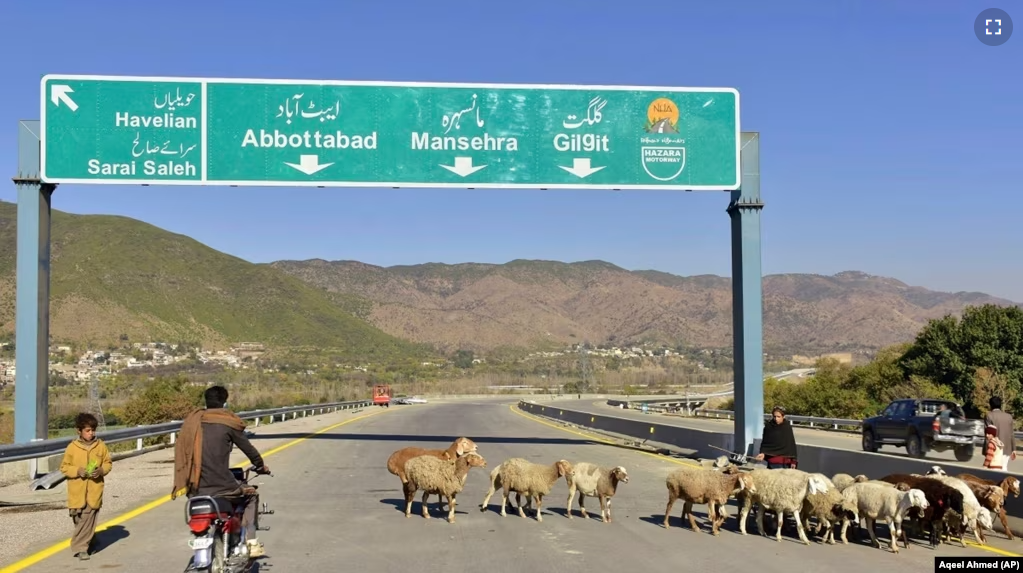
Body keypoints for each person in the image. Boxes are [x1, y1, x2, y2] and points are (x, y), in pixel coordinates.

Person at [172, 385, 270, 558]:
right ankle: (252, 542)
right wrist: (260, 466)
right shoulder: (228, 423)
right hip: (223, 486)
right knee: (251, 495)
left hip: (195, 487)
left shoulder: (192, 422)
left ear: (206, 401)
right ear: (224, 402)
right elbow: (249, 450)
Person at [59, 412, 113, 561]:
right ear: (79, 431)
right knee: (78, 519)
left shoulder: (100, 446)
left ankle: (80, 547)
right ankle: (91, 539)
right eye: (88, 430)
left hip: (94, 491)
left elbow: (108, 463)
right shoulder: (72, 447)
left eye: (93, 430)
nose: (91, 433)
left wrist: (101, 470)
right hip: (76, 492)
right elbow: (64, 467)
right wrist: (78, 471)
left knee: (87, 519)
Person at [985, 396, 1017, 472]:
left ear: (991, 405)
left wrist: (986, 450)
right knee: (1004, 468)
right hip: (1007, 449)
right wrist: (1014, 449)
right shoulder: (1009, 416)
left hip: (995, 448)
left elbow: (987, 434)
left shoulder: (989, 416)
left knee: (994, 472)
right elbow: (1012, 433)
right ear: (1000, 405)